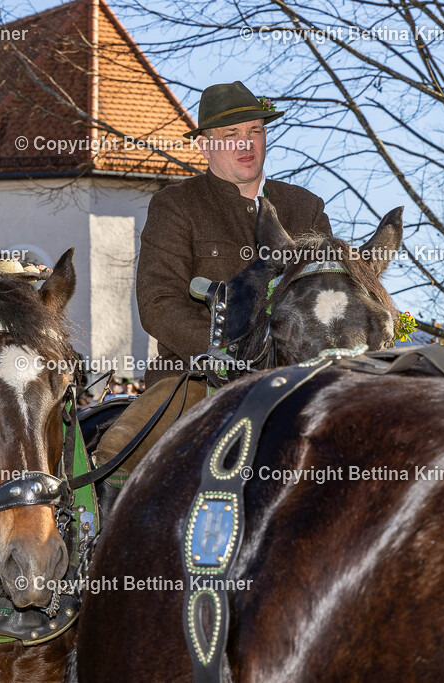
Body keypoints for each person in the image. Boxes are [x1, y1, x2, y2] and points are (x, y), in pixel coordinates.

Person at [92, 81, 333, 476]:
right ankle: (97, 531)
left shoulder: (305, 207)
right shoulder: (176, 205)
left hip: (295, 381)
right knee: (117, 452)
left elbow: (326, 290)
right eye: (231, 135)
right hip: (196, 379)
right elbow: (158, 303)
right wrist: (228, 351)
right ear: (205, 146)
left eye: (255, 131)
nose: (247, 144)